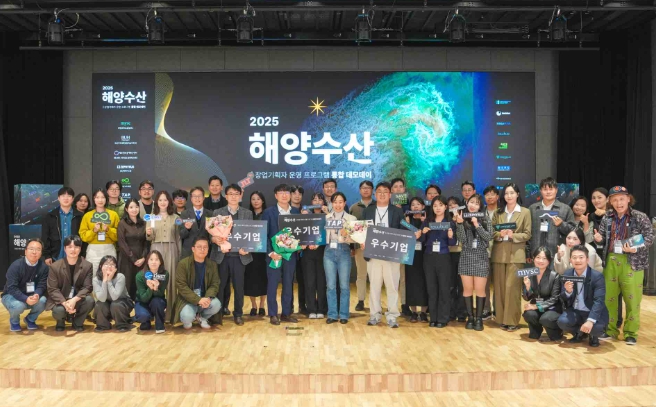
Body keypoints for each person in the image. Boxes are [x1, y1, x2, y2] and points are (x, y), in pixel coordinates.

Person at [594, 186, 654, 345]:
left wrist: (636, 248)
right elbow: (602, 238)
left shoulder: (639, 217)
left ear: (628, 199)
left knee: (632, 299)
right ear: (610, 202)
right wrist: (599, 239)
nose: (618, 203)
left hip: (632, 262)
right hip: (611, 260)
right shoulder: (607, 217)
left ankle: (631, 333)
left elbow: (649, 237)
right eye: (615, 200)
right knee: (609, 299)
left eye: (621, 199)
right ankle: (610, 330)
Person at [363, 181, 405, 328]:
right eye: (379, 191)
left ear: (390, 194)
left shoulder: (397, 211)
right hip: (373, 253)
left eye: (385, 191)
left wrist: (415, 232)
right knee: (374, 286)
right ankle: (375, 315)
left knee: (392, 286)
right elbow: (363, 230)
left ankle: (392, 315)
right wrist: (362, 241)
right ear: (375, 194)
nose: (382, 194)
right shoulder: (368, 210)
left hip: (391, 254)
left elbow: (404, 230)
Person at [210, 184, 253, 325]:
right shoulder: (218, 212)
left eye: (236, 194)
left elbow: (251, 234)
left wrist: (247, 247)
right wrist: (214, 239)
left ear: (240, 196)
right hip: (222, 256)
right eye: (231, 194)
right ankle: (218, 313)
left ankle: (238, 314)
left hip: (240, 257)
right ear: (226, 196)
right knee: (220, 286)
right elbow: (211, 234)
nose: (234, 196)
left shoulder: (247, 213)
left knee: (239, 287)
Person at [491, 183, 532, 332]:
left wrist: (512, 235)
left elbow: (527, 234)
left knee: (512, 288)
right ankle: (502, 319)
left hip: (516, 255)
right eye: (506, 193)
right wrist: (500, 234)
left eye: (512, 193)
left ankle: (512, 320)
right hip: (499, 254)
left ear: (517, 194)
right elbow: (492, 232)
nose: (509, 196)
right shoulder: (498, 212)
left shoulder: (525, 212)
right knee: (500, 289)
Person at [262, 184, 301, 325]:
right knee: (272, 285)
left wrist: (300, 245)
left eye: (287, 192)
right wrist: (270, 252)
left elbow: (299, 233)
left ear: (290, 195)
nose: (284, 195)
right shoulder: (268, 212)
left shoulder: (295, 212)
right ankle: (273, 314)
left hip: (290, 256)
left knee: (288, 284)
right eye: (281, 192)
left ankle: (286, 313)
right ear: (276, 195)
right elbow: (264, 235)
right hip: (275, 256)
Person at [557, 245, 609, 347]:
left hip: (591, 310)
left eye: (581, 257)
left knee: (596, 327)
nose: (578, 260)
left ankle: (593, 336)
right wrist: (568, 292)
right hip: (575, 311)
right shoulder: (568, 274)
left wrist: (590, 321)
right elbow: (563, 297)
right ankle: (579, 333)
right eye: (574, 257)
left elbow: (599, 301)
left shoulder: (597, 276)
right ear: (570, 260)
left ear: (587, 259)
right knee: (562, 322)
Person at [455, 194, 493, 331]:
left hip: (481, 257)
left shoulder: (485, 219)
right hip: (466, 257)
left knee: (480, 290)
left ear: (480, 206)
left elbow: (489, 237)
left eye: (476, 203)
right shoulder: (462, 218)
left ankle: (479, 319)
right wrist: (460, 224)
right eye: (471, 202)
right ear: (467, 203)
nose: (473, 205)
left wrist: (477, 225)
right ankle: (470, 318)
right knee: (467, 289)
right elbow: (462, 240)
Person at [419, 196, 456, 328]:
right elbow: (421, 240)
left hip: (443, 256)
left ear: (445, 207)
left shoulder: (450, 223)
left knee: (444, 288)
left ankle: (443, 318)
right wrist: (423, 233)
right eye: (435, 206)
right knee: (431, 288)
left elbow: (453, 243)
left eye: (440, 205)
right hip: (429, 257)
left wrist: (451, 237)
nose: (438, 208)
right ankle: (433, 318)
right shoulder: (427, 221)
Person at [146, 190, 181, 323]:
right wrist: (148, 233)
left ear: (169, 202)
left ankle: (171, 314)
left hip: (172, 248)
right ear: (156, 202)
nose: (162, 202)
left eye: (165, 200)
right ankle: (156, 313)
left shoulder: (176, 218)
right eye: (160, 200)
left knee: (171, 281)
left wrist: (179, 254)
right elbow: (149, 238)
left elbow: (178, 237)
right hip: (156, 249)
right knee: (156, 279)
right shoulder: (151, 217)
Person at [46, 235, 95, 332]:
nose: (73, 250)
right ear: (65, 249)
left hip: (77, 299)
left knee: (89, 300)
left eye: (76, 247)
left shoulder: (87, 265)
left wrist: (74, 300)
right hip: (61, 299)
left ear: (80, 249)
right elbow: (52, 289)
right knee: (59, 311)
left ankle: (77, 322)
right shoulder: (55, 266)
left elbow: (87, 287)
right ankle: (60, 321)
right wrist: (65, 303)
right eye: (70, 247)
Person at [172, 236, 221, 329]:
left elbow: (215, 284)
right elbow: (182, 286)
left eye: (205, 247)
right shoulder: (183, 264)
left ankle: (202, 317)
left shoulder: (212, 264)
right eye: (199, 247)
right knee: (187, 316)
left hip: (204, 298)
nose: (202, 249)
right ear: (193, 249)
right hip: (188, 300)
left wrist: (207, 298)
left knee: (216, 304)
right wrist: (198, 300)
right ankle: (188, 320)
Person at [2, 238, 49, 331]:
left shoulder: (44, 267)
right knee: (19, 305)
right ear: (25, 251)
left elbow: (42, 285)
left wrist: (37, 294)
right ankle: (14, 321)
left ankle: (30, 319)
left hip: (31, 295)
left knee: (43, 301)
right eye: (31, 249)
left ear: (41, 253)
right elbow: (12, 288)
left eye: (38, 249)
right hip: (11, 295)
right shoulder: (16, 266)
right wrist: (25, 299)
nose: (34, 252)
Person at [324, 192, 356, 324]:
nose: (338, 205)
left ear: (345, 203)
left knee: (344, 286)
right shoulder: (326, 218)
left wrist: (347, 234)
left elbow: (355, 238)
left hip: (344, 250)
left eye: (340, 202)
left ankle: (344, 315)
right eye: (335, 202)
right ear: (331, 203)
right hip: (329, 252)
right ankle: (332, 314)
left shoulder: (351, 218)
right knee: (330, 285)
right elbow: (320, 235)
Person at [521, 247, 563, 342]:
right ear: (533, 258)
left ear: (549, 261)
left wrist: (536, 306)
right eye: (538, 257)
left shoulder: (554, 276)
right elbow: (526, 298)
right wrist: (528, 287)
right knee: (529, 314)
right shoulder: (529, 273)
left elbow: (554, 299)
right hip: (536, 306)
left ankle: (557, 331)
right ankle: (536, 330)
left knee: (546, 319)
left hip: (551, 308)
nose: (541, 261)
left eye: (544, 258)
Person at [528, 177, 576, 255]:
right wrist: (528, 252)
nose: (548, 192)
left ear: (556, 190)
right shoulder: (532, 209)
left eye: (551, 189)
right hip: (536, 253)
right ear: (540, 191)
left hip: (557, 253)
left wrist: (561, 224)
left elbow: (573, 230)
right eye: (545, 189)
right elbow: (527, 231)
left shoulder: (565, 209)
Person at [349, 180, 375, 312]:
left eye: (368, 188)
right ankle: (360, 300)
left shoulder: (378, 206)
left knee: (376, 276)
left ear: (372, 190)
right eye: (363, 188)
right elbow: (350, 229)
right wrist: (352, 247)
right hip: (359, 247)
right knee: (361, 275)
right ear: (360, 190)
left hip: (376, 247)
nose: (366, 190)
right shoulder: (354, 208)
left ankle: (375, 301)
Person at [79, 188, 119, 272]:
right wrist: (93, 231)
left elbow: (119, 235)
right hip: (93, 250)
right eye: (97, 197)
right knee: (92, 274)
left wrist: (108, 230)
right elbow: (83, 236)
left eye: (103, 197)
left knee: (110, 274)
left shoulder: (113, 215)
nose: (100, 200)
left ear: (106, 199)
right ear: (94, 199)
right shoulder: (87, 215)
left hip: (109, 248)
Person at [302, 193, 328, 319]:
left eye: (320, 199)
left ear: (323, 202)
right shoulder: (306, 215)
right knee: (310, 281)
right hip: (308, 251)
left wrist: (328, 214)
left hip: (323, 251)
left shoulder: (327, 215)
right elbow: (300, 232)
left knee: (322, 281)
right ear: (311, 202)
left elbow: (330, 232)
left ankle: (322, 309)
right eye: (314, 199)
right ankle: (311, 308)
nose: (317, 201)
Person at [42, 187, 83, 266]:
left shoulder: (80, 216)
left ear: (72, 199)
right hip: (55, 256)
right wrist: (47, 255)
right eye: (63, 196)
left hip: (75, 256)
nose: (66, 198)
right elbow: (45, 237)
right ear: (58, 198)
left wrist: (82, 254)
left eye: (69, 196)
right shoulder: (50, 216)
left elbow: (83, 237)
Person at [93, 255, 134, 332]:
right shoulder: (96, 279)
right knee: (99, 304)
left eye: (112, 264)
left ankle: (122, 325)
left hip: (122, 302)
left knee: (115, 304)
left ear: (116, 268)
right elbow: (102, 298)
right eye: (106, 264)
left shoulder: (120, 277)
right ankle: (103, 325)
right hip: (106, 302)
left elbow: (115, 297)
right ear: (101, 266)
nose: (109, 267)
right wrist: (104, 281)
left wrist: (109, 281)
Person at [117, 198, 147, 299]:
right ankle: (126, 306)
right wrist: (133, 259)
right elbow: (122, 243)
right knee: (128, 284)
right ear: (126, 209)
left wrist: (143, 257)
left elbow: (146, 242)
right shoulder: (122, 223)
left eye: (136, 207)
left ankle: (140, 306)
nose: (134, 209)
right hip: (127, 259)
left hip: (141, 259)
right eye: (131, 207)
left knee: (140, 284)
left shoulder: (143, 223)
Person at [404, 197, 428, 323]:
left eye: (418, 204)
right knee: (411, 283)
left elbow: (426, 238)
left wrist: (424, 223)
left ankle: (423, 312)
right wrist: (407, 225)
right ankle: (413, 312)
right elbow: (403, 238)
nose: (416, 206)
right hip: (410, 255)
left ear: (423, 206)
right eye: (413, 205)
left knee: (425, 283)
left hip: (425, 255)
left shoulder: (428, 220)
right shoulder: (406, 221)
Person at [134, 250, 169, 333]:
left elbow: (161, 294)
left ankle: (160, 324)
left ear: (160, 262)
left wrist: (156, 288)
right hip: (142, 302)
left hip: (157, 300)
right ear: (147, 262)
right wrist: (150, 289)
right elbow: (143, 298)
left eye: (157, 259)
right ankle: (146, 320)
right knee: (143, 316)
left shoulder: (164, 274)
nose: (154, 262)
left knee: (157, 302)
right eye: (151, 259)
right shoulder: (140, 275)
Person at [245, 191, 268, 316]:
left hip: (263, 252)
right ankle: (253, 305)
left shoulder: (267, 214)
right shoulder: (247, 215)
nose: (255, 201)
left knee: (263, 278)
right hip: (250, 252)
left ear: (262, 200)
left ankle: (262, 305)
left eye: (258, 199)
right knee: (250, 279)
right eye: (253, 199)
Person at [391, 178, 410, 316]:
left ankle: (404, 304)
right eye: (395, 187)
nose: (398, 189)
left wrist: (403, 216)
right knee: (390, 277)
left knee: (403, 277)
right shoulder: (385, 205)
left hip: (404, 245)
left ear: (404, 189)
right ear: (391, 190)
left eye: (400, 186)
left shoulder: (410, 206)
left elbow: (412, 227)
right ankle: (391, 306)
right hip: (389, 244)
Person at [447, 196, 467, 322]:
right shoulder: (446, 220)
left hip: (463, 254)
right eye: (450, 205)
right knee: (451, 285)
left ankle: (462, 312)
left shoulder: (465, 219)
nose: (452, 206)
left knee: (462, 285)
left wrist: (460, 222)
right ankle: (451, 312)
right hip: (449, 254)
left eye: (455, 204)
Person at [481, 185, 500, 320]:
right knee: (485, 283)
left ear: (497, 196)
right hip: (484, 252)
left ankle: (498, 309)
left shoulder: (503, 212)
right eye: (487, 195)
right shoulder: (481, 212)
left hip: (499, 252)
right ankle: (486, 309)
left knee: (498, 283)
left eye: (492, 194)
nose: (490, 197)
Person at [178, 187, 210, 259]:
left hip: (205, 252)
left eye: (199, 196)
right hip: (188, 252)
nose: (197, 198)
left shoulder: (210, 214)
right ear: (191, 199)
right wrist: (187, 229)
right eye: (194, 196)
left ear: (203, 198)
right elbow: (181, 235)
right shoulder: (184, 214)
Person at [290, 185, 306, 314]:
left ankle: (302, 306)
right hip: (288, 252)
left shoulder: (306, 211)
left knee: (303, 280)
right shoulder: (285, 211)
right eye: (294, 193)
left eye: (299, 194)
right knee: (288, 281)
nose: (297, 196)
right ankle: (288, 307)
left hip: (302, 253)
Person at [590, 187, 609, 258]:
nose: (596, 200)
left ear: (607, 199)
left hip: (610, 252)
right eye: (593, 198)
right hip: (595, 253)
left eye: (599, 197)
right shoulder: (592, 216)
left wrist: (606, 213)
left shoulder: (615, 213)